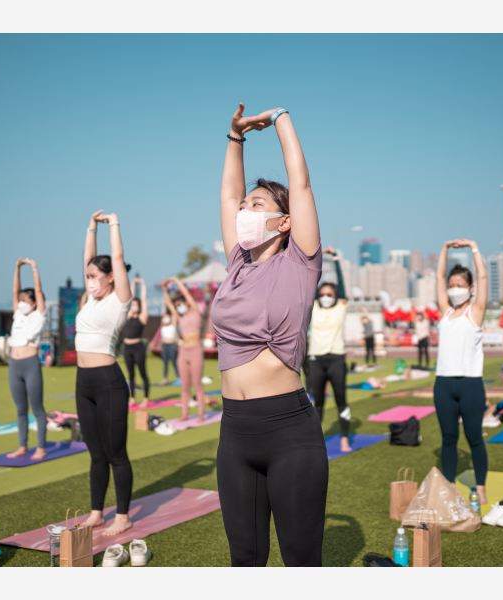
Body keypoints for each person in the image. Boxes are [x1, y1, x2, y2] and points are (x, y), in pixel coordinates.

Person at [211, 104, 328, 567]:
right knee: (245, 561)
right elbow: (226, 195)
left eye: (256, 205)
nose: (243, 210)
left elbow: (299, 183)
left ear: (284, 222)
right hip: (234, 433)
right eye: (245, 206)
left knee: (300, 563)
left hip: (289, 433)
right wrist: (236, 136)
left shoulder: (301, 262)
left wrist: (278, 118)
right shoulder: (236, 263)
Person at [75, 210, 134, 536]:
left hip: (108, 383)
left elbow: (118, 256)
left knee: (116, 454)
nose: (90, 282)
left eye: (96, 277)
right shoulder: (89, 299)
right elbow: (87, 258)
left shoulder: (120, 300)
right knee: (96, 454)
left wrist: (112, 224)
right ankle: (97, 512)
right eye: (88, 277)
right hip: (83, 383)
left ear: (111, 277)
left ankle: (123, 515)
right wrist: (89, 227)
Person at [434, 239, 489, 505]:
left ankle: (481, 486)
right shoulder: (445, 312)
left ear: (470, 289)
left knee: (474, 438)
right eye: (451, 286)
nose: (455, 290)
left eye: (460, 286)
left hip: (470, 385)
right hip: (443, 385)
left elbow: (483, 274)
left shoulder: (475, 312)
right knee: (448, 439)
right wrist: (445, 248)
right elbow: (438, 275)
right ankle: (449, 486)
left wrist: (473, 248)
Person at [308, 246, 352, 453]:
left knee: (341, 400)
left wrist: (335, 258)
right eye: (323, 293)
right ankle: (314, 441)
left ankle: (344, 437)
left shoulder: (341, 307)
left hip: (336, 360)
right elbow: (310, 281)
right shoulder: (314, 307)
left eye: (330, 293)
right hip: (316, 360)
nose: (326, 296)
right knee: (316, 404)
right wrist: (317, 257)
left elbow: (341, 287)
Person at [6, 257, 48, 460]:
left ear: (34, 303)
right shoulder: (18, 315)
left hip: (31, 364)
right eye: (20, 300)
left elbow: (38, 291)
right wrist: (16, 268)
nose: (21, 303)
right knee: (20, 409)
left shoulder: (39, 315)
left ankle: (41, 447)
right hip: (14, 365)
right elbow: (15, 290)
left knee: (37, 408)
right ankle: (22, 446)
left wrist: (33, 268)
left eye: (25, 300)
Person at [162, 276, 205, 422]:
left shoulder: (194, 312)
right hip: (183, 352)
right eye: (177, 305)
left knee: (197, 385)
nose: (179, 307)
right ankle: (185, 414)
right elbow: (169, 303)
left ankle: (200, 415)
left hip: (196, 351)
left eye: (181, 304)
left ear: (186, 303)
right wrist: (164, 289)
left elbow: (186, 293)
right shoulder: (180, 318)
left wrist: (175, 280)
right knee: (185, 386)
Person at [122, 278, 150, 407]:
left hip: (138, 347)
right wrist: (132, 284)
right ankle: (132, 398)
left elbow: (143, 300)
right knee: (131, 374)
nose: (134, 306)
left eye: (136, 305)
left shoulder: (142, 317)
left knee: (142, 373)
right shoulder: (127, 316)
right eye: (133, 304)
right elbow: (129, 299)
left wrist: (143, 285)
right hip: (127, 347)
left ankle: (145, 398)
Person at [158, 302, 179, 385]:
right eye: (165, 317)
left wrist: (172, 306)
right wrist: (163, 304)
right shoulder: (163, 326)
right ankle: (165, 379)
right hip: (165, 346)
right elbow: (163, 313)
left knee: (174, 362)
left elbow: (174, 314)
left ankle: (179, 378)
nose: (166, 318)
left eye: (167, 317)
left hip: (172, 346)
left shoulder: (173, 325)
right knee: (165, 363)